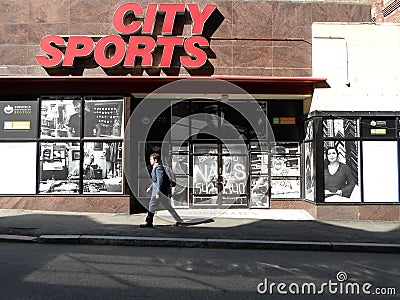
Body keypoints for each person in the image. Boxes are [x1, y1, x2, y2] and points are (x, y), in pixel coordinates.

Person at [140, 153, 183, 228]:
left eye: (151, 159)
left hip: (158, 192)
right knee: (168, 206)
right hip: (158, 191)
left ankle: (149, 222)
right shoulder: (155, 167)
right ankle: (179, 220)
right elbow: (155, 181)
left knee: (151, 205)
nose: (150, 161)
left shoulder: (159, 168)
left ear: (155, 160)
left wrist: (158, 192)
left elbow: (160, 181)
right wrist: (150, 188)